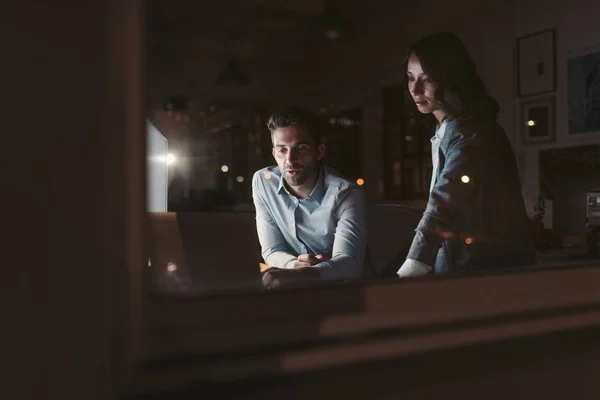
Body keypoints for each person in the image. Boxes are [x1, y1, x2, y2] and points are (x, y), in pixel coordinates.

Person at [397, 32, 535, 277]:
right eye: (410, 78)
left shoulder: (470, 131)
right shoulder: (446, 127)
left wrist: (412, 267)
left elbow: (445, 201)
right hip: (465, 266)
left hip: (485, 270)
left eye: (427, 78)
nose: (415, 89)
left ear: (449, 79)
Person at [252, 106, 368, 288]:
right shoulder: (263, 182)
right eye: (282, 150)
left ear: (319, 152)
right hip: (291, 288)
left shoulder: (347, 193)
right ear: (274, 154)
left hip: (343, 291)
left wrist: (306, 273)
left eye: (301, 148)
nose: (290, 160)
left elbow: (349, 263)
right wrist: (294, 266)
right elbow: (272, 250)